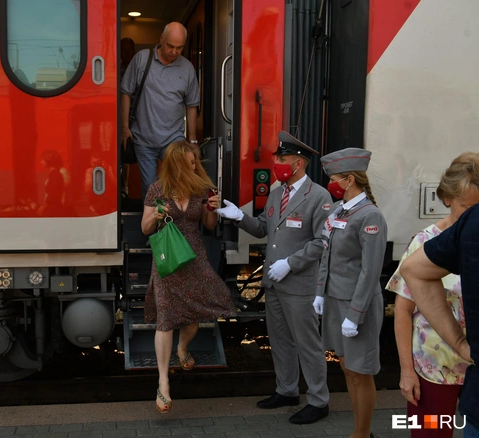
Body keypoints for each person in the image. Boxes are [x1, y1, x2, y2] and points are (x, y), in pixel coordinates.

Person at [215, 131, 331, 424]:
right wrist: (240, 218)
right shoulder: (277, 192)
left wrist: (290, 264)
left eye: (282, 158)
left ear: (299, 164)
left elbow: (321, 242)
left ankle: (319, 401)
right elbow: (264, 229)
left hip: (299, 282)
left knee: (308, 343)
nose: (276, 163)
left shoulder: (318, 196)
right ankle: (287, 390)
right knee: (280, 340)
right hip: (274, 282)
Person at [386, 152, 479, 438]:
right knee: (430, 433)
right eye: (466, 209)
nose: (473, 219)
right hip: (435, 368)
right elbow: (403, 311)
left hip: (477, 371)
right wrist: (407, 371)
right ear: (446, 198)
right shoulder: (424, 243)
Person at [141, 140, 235, 414]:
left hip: (195, 258)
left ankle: (183, 348)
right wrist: (156, 215)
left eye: (195, 160)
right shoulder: (157, 190)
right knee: (166, 319)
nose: (194, 165)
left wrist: (212, 209)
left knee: (194, 317)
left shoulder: (202, 189)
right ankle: (163, 383)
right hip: (168, 261)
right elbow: (146, 229)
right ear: (175, 163)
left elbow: (208, 226)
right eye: (189, 161)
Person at [316, 148, 387, 438]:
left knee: (361, 372)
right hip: (335, 301)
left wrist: (355, 315)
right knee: (347, 369)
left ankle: (362, 432)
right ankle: (360, 431)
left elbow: (370, 273)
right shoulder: (338, 210)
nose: (331, 184)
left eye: (334, 178)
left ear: (350, 179)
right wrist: (320, 293)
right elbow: (327, 255)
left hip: (357, 306)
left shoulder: (370, 216)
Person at [121, 22, 200, 200]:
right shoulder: (142, 59)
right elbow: (125, 92)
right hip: (143, 138)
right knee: (150, 189)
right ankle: (154, 228)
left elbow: (192, 105)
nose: (174, 52)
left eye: (179, 48)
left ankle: (174, 226)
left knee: (178, 187)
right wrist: (124, 127)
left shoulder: (187, 68)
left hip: (174, 140)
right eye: (170, 46)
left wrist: (192, 139)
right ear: (161, 39)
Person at [119, 37, 136, 199]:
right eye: (123, 49)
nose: (126, 52)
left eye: (129, 49)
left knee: (129, 153)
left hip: (135, 119)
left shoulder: (139, 70)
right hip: (114, 119)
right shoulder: (114, 69)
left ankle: (125, 188)